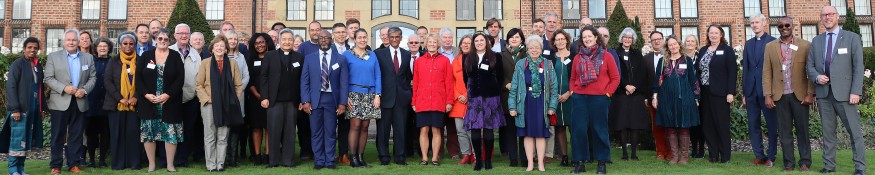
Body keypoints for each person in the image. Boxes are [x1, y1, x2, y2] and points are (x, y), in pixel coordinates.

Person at [807, 6, 867, 175]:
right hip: (824, 94)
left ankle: (860, 168)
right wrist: (817, 77)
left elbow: (858, 67)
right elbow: (810, 66)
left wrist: (856, 91)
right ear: (821, 18)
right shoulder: (817, 41)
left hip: (846, 94)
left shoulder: (851, 38)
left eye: (830, 14)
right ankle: (829, 165)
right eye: (824, 15)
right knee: (828, 133)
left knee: (854, 133)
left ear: (837, 16)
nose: (827, 17)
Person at [762, 16, 814, 172]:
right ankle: (789, 163)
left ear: (792, 26)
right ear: (777, 28)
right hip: (780, 95)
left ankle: (805, 162)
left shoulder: (805, 45)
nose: (784, 28)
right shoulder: (770, 47)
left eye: (787, 25)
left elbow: (810, 71)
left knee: (803, 130)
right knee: (784, 132)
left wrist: (810, 93)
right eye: (780, 26)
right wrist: (767, 94)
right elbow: (766, 72)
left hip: (800, 95)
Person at [569, 26, 620, 174]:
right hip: (580, 99)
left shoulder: (606, 56)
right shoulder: (578, 57)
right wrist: (573, 91)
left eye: (589, 36)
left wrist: (608, 93)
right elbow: (572, 78)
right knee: (578, 131)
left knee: (600, 130)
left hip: (599, 99)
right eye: (584, 37)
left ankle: (601, 163)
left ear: (596, 37)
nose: (587, 39)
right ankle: (579, 163)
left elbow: (616, 78)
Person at [45, 29, 96, 174]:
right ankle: (56, 166)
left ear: (78, 41)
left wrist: (84, 90)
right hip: (60, 101)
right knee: (57, 135)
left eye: (74, 40)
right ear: (64, 42)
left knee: (76, 135)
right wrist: (64, 88)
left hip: (80, 101)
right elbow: (48, 78)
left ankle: (74, 164)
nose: (71, 42)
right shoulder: (53, 57)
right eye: (68, 40)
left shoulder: (88, 58)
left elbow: (93, 78)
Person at [136, 28, 185, 173]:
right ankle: (152, 164)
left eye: (166, 39)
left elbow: (180, 79)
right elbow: (138, 78)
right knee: (149, 133)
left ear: (170, 41)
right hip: (149, 102)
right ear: (155, 40)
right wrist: (146, 94)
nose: (163, 41)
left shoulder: (176, 56)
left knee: (170, 133)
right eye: (160, 39)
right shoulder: (146, 55)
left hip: (169, 102)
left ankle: (170, 164)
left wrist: (168, 94)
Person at [509, 34, 558, 172]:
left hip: (542, 102)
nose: (534, 50)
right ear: (527, 49)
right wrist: (512, 106)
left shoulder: (548, 64)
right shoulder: (520, 64)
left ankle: (541, 163)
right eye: (531, 48)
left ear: (541, 49)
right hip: (525, 102)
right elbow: (514, 87)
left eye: (537, 47)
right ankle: (530, 163)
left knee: (541, 134)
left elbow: (553, 87)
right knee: (528, 134)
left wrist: (552, 106)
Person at [301, 29, 350, 170]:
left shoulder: (340, 59)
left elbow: (344, 83)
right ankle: (319, 160)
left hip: (331, 100)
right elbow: (304, 82)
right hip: (315, 99)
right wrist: (305, 101)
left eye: (326, 38)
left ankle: (329, 160)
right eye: (321, 38)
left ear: (331, 40)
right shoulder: (309, 58)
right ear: (318, 40)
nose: (323, 40)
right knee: (316, 132)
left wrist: (342, 103)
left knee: (329, 132)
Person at [195, 35, 245, 172]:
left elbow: (238, 85)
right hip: (209, 105)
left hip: (227, 105)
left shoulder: (233, 63)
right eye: (217, 46)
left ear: (226, 49)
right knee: (210, 136)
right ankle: (211, 165)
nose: (219, 48)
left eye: (222, 46)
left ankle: (220, 164)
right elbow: (199, 84)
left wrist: (232, 99)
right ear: (212, 48)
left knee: (223, 136)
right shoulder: (205, 63)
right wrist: (207, 99)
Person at [652, 35, 701, 165]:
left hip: (684, 96)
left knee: (684, 126)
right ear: (667, 47)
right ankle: (674, 156)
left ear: (679, 45)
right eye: (670, 45)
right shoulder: (663, 61)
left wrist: (696, 97)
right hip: (666, 97)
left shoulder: (687, 60)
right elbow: (657, 80)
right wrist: (655, 97)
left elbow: (693, 79)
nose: (673, 46)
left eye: (675, 44)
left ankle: (684, 156)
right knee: (670, 126)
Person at [261, 29, 305, 168]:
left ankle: (288, 160)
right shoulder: (270, 55)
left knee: (290, 132)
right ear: (279, 41)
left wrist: (301, 100)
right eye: (284, 39)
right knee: (274, 131)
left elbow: (302, 80)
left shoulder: (299, 57)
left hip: (292, 101)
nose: (287, 42)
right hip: (274, 101)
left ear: (293, 41)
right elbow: (264, 77)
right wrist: (264, 97)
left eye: (290, 40)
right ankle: (273, 161)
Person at [1, 37, 46, 175]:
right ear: (24, 49)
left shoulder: (38, 66)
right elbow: (11, 86)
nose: (32, 50)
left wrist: (42, 108)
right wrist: (14, 109)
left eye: (35, 48)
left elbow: (40, 88)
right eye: (30, 47)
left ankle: (21, 169)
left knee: (25, 141)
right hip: (20, 110)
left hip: (33, 109)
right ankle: (13, 170)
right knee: (17, 139)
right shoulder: (17, 64)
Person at [463, 33, 506, 171]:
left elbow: (500, 77)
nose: (479, 42)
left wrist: (492, 90)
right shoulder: (467, 57)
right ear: (473, 43)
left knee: (488, 131)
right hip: (475, 98)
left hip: (490, 98)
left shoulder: (495, 56)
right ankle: (478, 161)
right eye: (476, 40)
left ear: (486, 42)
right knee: (475, 132)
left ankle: (488, 160)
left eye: (482, 40)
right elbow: (466, 78)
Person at [696, 25, 738, 164]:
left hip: (721, 94)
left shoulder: (727, 50)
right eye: (711, 33)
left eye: (716, 33)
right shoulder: (702, 50)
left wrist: (731, 92)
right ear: (707, 35)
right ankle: (713, 155)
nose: (713, 35)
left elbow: (732, 72)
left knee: (721, 124)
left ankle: (725, 156)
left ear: (721, 35)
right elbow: (698, 71)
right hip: (704, 93)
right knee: (708, 125)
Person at [102, 33, 144, 171]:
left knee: (133, 134)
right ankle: (118, 164)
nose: (128, 46)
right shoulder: (113, 61)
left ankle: (134, 163)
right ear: (120, 45)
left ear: (135, 45)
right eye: (125, 43)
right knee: (117, 134)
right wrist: (120, 98)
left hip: (134, 105)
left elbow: (144, 81)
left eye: (131, 43)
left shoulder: (140, 60)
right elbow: (108, 81)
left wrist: (135, 97)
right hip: (116, 104)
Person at [608, 27, 650, 161]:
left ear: (633, 40)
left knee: (634, 124)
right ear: (621, 39)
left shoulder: (637, 53)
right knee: (622, 123)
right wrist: (625, 85)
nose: (627, 39)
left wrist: (634, 87)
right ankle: (625, 153)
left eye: (630, 37)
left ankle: (634, 153)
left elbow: (642, 72)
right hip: (621, 94)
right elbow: (615, 72)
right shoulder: (615, 53)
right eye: (625, 37)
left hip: (636, 94)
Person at [742, 13, 778, 167]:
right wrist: (744, 93)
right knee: (753, 124)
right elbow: (746, 69)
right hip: (751, 92)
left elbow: (776, 70)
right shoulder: (748, 44)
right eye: (752, 23)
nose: (754, 25)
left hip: (767, 92)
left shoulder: (773, 42)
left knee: (771, 125)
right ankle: (759, 155)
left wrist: (773, 91)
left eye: (757, 22)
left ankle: (771, 156)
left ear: (764, 23)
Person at [413, 34, 453, 166]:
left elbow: (448, 82)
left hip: (438, 101)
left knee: (436, 130)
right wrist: (414, 101)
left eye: (434, 42)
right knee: (423, 130)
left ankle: (435, 158)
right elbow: (416, 84)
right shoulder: (418, 61)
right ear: (426, 44)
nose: (432, 44)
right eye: (429, 42)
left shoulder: (445, 60)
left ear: (438, 44)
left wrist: (449, 101)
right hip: (422, 101)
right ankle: (424, 158)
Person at [375, 27, 413, 166]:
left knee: (400, 129)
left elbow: (407, 75)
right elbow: (376, 75)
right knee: (383, 130)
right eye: (392, 37)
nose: (395, 39)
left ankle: (400, 156)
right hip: (385, 97)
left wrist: (408, 92)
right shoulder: (379, 54)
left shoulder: (406, 54)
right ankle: (384, 156)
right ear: (388, 38)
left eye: (397, 37)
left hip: (401, 98)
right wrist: (377, 95)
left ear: (401, 38)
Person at [345, 28, 381, 168]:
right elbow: (343, 77)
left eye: (364, 37)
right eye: (359, 37)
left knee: (365, 127)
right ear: (354, 39)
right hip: (353, 94)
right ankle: (353, 157)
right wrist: (345, 96)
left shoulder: (372, 55)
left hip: (370, 95)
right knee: (355, 125)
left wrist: (378, 95)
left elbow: (378, 75)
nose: (362, 40)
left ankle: (361, 156)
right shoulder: (347, 55)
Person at [246, 32, 276, 165]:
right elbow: (249, 80)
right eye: (257, 43)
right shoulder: (250, 59)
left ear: (268, 42)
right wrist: (259, 95)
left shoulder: (274, 57)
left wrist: (268, 96)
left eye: (262, 42)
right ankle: (257, 155)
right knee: (256, 127)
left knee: (269, 127)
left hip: (272, 98)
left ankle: (268, 155)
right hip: (255, 98)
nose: (260, 45)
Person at [222, 30, 251, 167]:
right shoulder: (219, 55)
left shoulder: (241, 57)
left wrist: (238, 89)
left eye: (235, 39)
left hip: (238, 97)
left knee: (236, 128)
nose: (233, 41)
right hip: (223, 97)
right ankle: (223, 157)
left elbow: (246, 76)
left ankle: (233, 157)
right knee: (224, 128)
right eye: (230, 39)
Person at [499, 28, 526, 167]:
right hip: (506, 95)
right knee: (510, 130)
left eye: (517, 37)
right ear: (507, 39)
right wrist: (505, 84)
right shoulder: (501, 55)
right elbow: (498, 74)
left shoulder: (527, 53)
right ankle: (513, 159)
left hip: (524, 96)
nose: (514, 39)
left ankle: (524, 157)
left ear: (522, 39)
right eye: (511, 37)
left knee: (522, 128)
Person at [548, 30, 574, 166]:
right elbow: (548, 79)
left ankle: (576, 156)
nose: (560, 41)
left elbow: (577, 78)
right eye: (557, 39)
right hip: (555, 98)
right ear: (554, 42)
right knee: (559, 128)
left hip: (571, 98)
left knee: (573, 128)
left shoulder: (574, 57)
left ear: (567, 40)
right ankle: (564, 157)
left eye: (562, 39)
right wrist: (554, 94)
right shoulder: (551, 59)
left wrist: (569, 93)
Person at [643, 31, 670, 161]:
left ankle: (671, 152)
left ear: (663, 40)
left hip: (669, 97)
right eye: (653, 40)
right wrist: (646, 97)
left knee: (669, 125)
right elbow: (644, 80)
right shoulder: (646, 58)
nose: (657, 42)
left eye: (659, 39)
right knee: (657, 126)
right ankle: (660, 151)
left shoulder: (671, 56)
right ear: (651, 42)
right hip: (653, 98)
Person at [85, 37, 111, 168]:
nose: (102, 48)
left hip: (107, 102)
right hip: (91, 101)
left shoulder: (113, 61)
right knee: (91, 134)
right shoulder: (90, 61)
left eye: (105, 46)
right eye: (100, 46)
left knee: (105, 133)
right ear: (95, 48)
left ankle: (102, 160)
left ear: (109, 48)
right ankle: (91, 160)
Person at [450, 34, 474, 165]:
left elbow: (477, 80)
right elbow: (451, 80)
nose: (465, 45)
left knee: (472, 130)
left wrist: (467, 94)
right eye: (463, 43)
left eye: (468, 43)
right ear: (460, 45)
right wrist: (458, 95)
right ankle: (465, 154)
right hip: (458, 100)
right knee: (460, 130)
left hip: (472, 99)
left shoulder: (476, 59)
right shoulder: (456, 60)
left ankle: (475, 155)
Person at [682, 34, 706, 159]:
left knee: (700, 122)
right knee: (691, 122)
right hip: (686, 94)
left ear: (696, 43)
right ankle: (694, 148)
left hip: (701, 93)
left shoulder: (700, 56)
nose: (690, 43)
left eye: (692, 41)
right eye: (687, 41)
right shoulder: (682, 58)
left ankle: (701, 149)